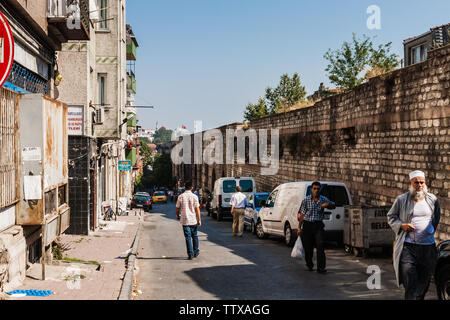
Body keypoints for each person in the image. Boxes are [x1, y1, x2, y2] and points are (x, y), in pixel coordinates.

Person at [387, 170, 440, 300]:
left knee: (424, 283)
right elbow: (391, 216)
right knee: (410, 281)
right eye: (416, 182)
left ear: (425, 183)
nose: (419, 185)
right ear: (410, 183)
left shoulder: (432, 199)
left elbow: (436, 218)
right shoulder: (401, 199)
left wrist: (429, 231)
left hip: (428, 247)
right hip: (408, 247)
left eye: (422, 182)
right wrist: (401, 225)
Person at [297, 181, 336, 274]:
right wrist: (299, 227)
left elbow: (333, 205)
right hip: (307, 225)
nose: (316, 191)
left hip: (318, 226)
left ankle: (321, 268)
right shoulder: (306, 200)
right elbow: (302, 215)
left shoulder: (323, 199)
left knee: (320, 245)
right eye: (314, 189)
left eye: (318, 189)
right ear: (311, 189)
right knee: (308, 248)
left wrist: (327, 205)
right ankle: (309, 264)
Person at [176, 181, 202, 260]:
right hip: (193, 220)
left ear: (184, 187)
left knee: (188, 237)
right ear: (192, 188)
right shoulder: (194, 196)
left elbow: (177, 208)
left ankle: (190, 254)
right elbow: (197, 209)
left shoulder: (181, 196)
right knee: (195, 236)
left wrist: (178, 215)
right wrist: (199, 219)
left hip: (185, 220)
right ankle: (196, 251)